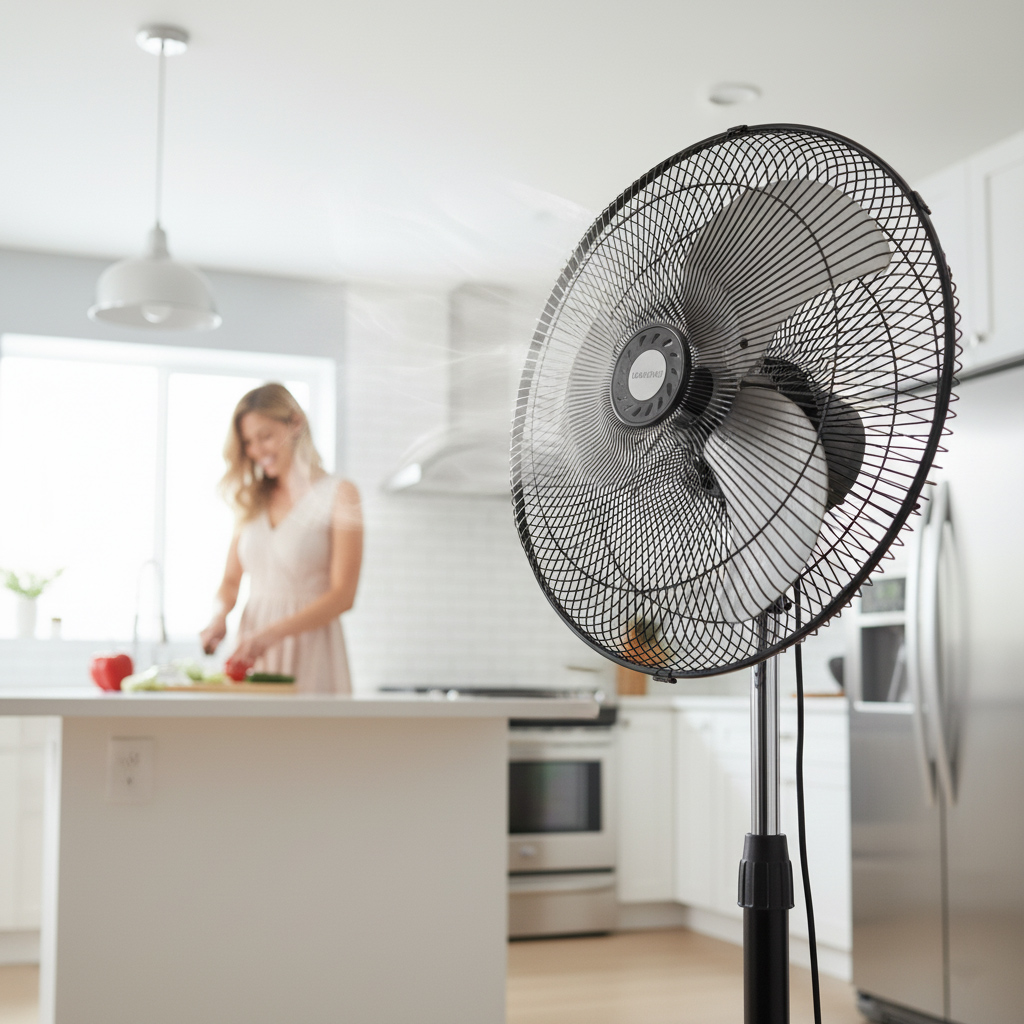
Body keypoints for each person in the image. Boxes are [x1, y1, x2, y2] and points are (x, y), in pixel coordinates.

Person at [199, 383, 362, 693]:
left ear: (295, 423)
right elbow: (230, 582)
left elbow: (344, 594)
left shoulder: (340, 494)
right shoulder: (250, 501)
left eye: (266, 436)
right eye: (248, 442)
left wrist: (271, 634)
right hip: (252, 651)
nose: (257, 450)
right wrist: (218, 616)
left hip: (312, 646)